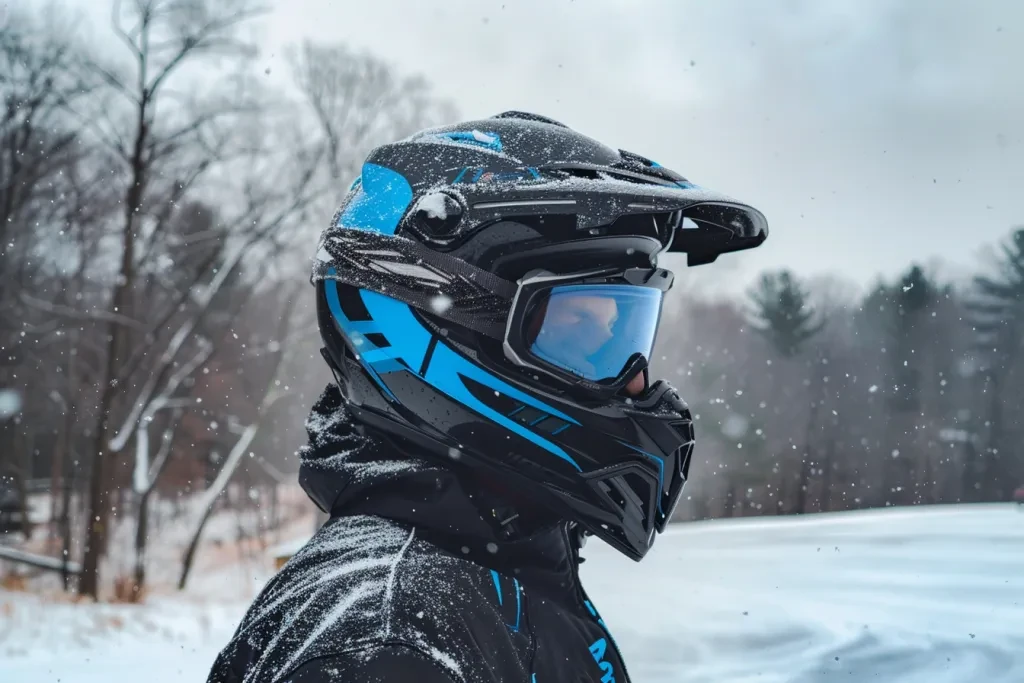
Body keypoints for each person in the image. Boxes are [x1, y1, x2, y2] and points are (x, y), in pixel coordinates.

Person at [206, 111, 768, 683]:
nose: (636, 384)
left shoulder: (496, 562)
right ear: (439, 336)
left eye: (624, 332)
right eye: (580, 331)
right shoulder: (391, 644)